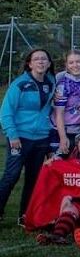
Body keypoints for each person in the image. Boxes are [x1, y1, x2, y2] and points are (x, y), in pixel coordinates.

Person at [0, 48, 55, 224]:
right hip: (20, 138)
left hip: (41, 139)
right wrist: (12, 135)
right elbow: (5, 112)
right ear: (29, 63)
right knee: (12, 175)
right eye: (36, 59)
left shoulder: (51, 81)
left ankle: (24, 216)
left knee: (33, 178)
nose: (40, 62)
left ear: (48, 63)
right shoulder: (20, 84)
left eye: (44, 59)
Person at [23, 132, 80, 242]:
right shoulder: (75, 164)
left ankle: (76, 227)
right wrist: (53, 163)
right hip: (79, 204)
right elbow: (58, 172)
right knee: (68, 207)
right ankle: (57, 236)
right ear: (78, 150)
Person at [51, 49, 80, 155]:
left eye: (78, 61)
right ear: (66, 65)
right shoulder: (63, 85)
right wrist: (63, 138)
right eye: (71, 62)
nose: (75, 65)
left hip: (79, 131)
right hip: (62, 132)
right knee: (57, 165)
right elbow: (59, 114)